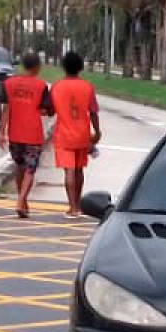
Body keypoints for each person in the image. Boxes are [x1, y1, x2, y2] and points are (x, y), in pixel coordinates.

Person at [0, 51, 54, 218]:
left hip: (14, 133)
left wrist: (2, 132)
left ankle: (22, 202)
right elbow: (45, 110)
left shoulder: (8, 84)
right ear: (37, 67)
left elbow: (5, 109)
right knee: (30, 170)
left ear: (23, 65)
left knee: (19, 167)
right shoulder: (41, 86)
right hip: (33, 135)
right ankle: (21, 200)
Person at [49, 50, 102, 217]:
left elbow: (50, 110)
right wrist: (97, 131)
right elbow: (93, 111)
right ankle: (78, 204)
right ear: (80, 67)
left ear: (64, 67)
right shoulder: (87, 87)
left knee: (69, 172)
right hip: (82, 135)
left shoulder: (56, 87)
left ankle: (72, 207)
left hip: (64, 135)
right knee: (79, 171)